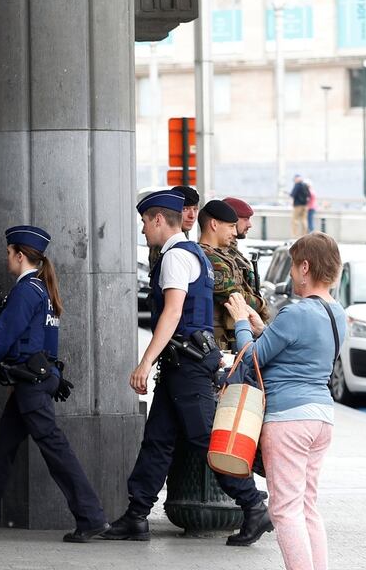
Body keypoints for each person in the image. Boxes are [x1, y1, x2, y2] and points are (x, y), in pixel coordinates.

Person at [101, 190, 272, 546]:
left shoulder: (177, 257)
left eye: (146, 222)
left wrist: (144, 362)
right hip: (185, 361)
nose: (144, 229)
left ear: (159, 220)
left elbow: (173, 312)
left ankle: (254, 507)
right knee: (158, 440)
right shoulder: (192, 253)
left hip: (188, 364)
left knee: (207, 440)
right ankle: (136, 516)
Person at [0, 226, 109, 543]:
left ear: (20, 255)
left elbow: (2, 339)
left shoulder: (25, 292)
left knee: (56, 450)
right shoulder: (42, 291)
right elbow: (48, 341)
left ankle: (91, 517)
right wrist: (52, 376)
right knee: (2, 449)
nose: (6, 257)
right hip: (35, 380)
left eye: (8, 252)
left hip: (30, 384)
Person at [224, 232, 346, 570]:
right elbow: (297, 350)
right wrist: (263, 327)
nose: (292, 274)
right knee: (307, 505)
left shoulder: (296, 313)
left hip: (288, 419)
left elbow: (250, 359)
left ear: (305, 267)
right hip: (321, 417)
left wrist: (239, 323)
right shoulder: (337, 314)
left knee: (284, 510)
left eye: (294, 266)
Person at [197, 200, 270, 351]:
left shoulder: (223, 256)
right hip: (218, 341)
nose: (235, 232)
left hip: (228, 338)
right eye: (231, 226)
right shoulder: (208, 257)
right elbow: (234, 297)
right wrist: (260, 302)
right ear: (214, 225)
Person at [148, 185, 199, 271]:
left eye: (195, 209)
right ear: (172, 211)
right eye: (185, 209)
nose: (192, 215)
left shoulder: (179, 237)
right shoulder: (165, 240)